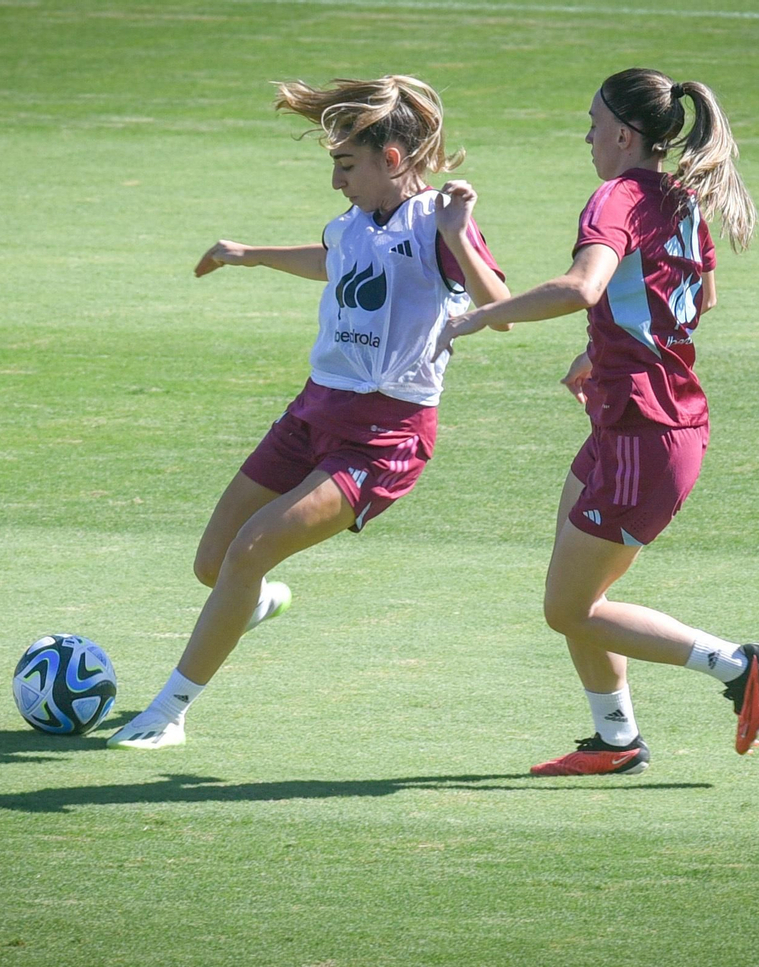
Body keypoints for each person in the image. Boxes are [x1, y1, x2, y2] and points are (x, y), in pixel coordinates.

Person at [109, 75, 509, 750]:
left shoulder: (435, 223)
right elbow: (336, 259)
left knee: (251, 550)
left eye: (344, 165)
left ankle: (169, 711)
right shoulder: (354, 223)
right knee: (215, 564)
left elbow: (496, 308)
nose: (335, 182)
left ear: (390, 159)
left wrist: (460, 235)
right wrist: (250, 257)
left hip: (385, 435)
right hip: (312, 411)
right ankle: (250, 601)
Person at [433, 68, 759, 776]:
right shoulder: (682, 199)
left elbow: (584, 284)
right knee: (576, 585)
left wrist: (480, 315)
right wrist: (604, 351)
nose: (587, 136)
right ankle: (615, 739)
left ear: (624, 135)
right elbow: (697, 297)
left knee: (570, 607)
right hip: (633, 424)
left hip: (647, 435)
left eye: (593, 125)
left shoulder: (615, 197)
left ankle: (738, 664)